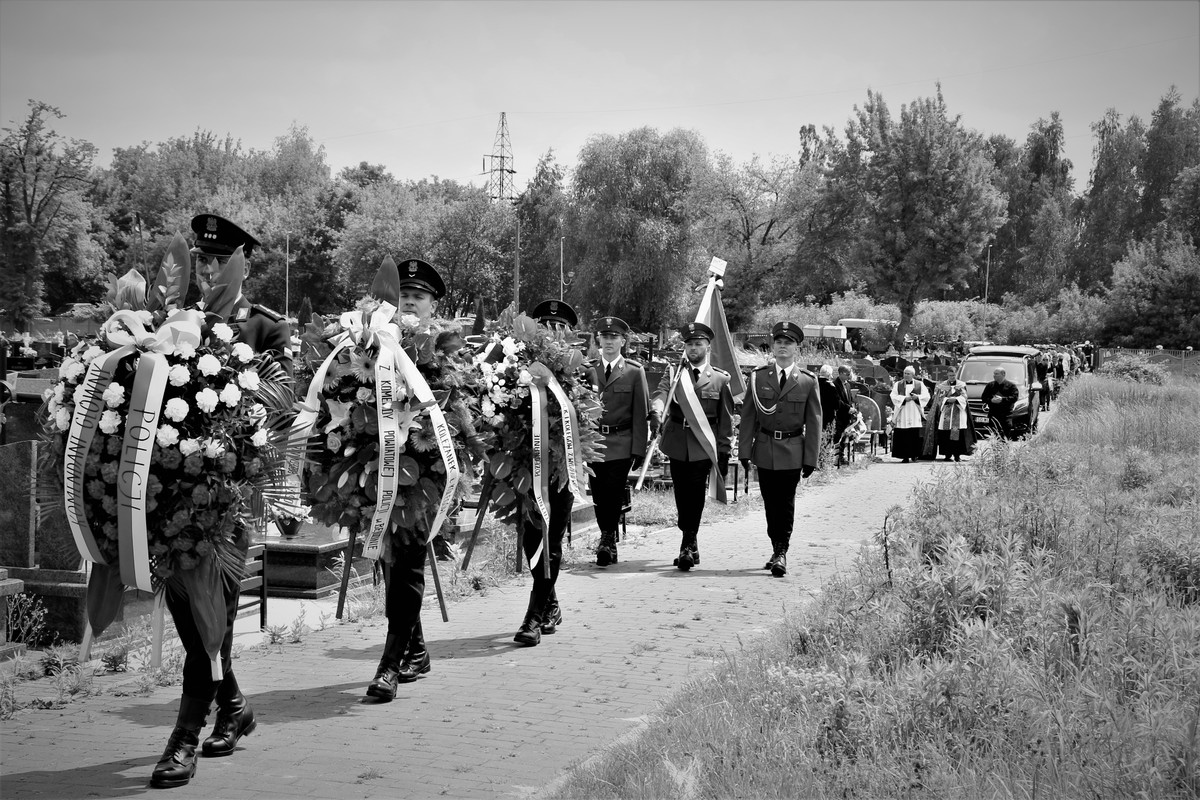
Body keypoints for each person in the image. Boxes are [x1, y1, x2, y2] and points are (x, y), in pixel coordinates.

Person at [151, 214, 291, 789]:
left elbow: (285, 407)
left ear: (242, 264)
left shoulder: (264, 328)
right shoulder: (166, 324)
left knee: (216, 611)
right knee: (192, 614)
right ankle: (232, 704)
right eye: (199, 260)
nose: (206, 269)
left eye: (217, 260)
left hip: (230, 499)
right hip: (170, 493)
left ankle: (183, 737)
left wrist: (239, 395)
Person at [365, 258, 453, 700]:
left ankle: (389, 664)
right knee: (389, 561)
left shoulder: (443, 348)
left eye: (420, 296)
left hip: (423, 473)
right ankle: (414, 648)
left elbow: (455, 413)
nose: (411, 302)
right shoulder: (373, 343)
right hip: (377, 470)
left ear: (433, 305)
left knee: (409, 563)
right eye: (405, 296)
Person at [511, 299, 582, 646]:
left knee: (551, 540)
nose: (553, 333)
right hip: (526, 468)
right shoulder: (516, 366)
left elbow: (588, 420)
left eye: (560, 327)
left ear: (570, 332)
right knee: (530, 539)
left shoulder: (582, 371)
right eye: (546, 326)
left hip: (560, 469)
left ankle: (533, 618)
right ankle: (549, 602)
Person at [738, 322, 821, 577]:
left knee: (785, 504)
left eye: (789, 343)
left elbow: (814, 421)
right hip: (764, 449)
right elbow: (749, 417)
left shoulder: (807, 381)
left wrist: (811, 459)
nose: (783, 346)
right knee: (770, 503)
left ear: (797, 348)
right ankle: (776, 547)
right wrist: (744, 452)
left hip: (792, 451)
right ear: (773, 346)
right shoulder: (759, 377)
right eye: (779, 342)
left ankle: (781, 551)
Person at [650, 322, 734, 571]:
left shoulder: (719, 379)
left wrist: (724, 450)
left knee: (695, 494)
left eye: (698, 343)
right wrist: (656, 409)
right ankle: (691, 539)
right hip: (676, 442)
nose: (693, 348)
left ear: (708, 346)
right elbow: (662, 392)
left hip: (702, 444)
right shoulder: (675, 373)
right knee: (681, 494)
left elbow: (726, 418)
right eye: (689, 344)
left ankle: (686, 544)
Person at [585, 316, 650, 566]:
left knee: (613, 493)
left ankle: (606, 538)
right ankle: (607, 537)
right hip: (594, 442)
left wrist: (639, 450)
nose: (609, 341)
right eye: (605, 337)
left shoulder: (634, 372)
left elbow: (640, 413)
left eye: (614, 337)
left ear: (623, 341)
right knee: (599, 494)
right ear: (598, 340)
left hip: (621, 442)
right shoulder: (588, 370)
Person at [889, 365, 929, 463]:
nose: (906, 375)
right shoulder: (898, 384)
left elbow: (927, 396)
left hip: (915, 411)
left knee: (914, 434)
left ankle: (915, 455)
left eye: (908, 374)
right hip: (903, 412)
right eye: (905, 373)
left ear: (913, 375)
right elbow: (893, 396)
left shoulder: (919, 384)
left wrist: (917, 397)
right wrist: (903, 399)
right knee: (903, 435)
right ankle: (904, 456)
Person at [935, 377, 975, 461]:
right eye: (950, 375)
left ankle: (957, 455)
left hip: (958, 412)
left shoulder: (961, 385)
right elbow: (938, 398)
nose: (951, 377)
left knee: (957, 433)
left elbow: (964, 397)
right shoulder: (943, 386)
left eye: (953, 375)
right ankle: (947, 454)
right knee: (946, 433)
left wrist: (956, 399)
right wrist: (947, 400)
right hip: (946, 411)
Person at [981, 366, 1019, 440]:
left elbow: (1014, 398)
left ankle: (1005, 450)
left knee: (1005, 437)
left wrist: (1002, 399)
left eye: (996, 374)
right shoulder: (990, 385)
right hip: (993, 415)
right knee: (994, 437)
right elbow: (983, 398)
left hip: (1006, 415)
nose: (994, 375)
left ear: (1003, 374)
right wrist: (991, 400)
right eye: (994, 374)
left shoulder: (1011, 386)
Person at [833, 365, 857, 466]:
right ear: (841, 373)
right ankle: (836, 458)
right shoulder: (835, 384)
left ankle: (841, 457)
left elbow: (850, 399)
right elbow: (837, 401)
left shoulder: (847, 385)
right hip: (839, 415)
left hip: (847, 415)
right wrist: (848, 408)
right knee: (837, 436)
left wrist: (853, 409)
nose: (849, 376)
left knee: (844, 437)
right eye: (847, 374)